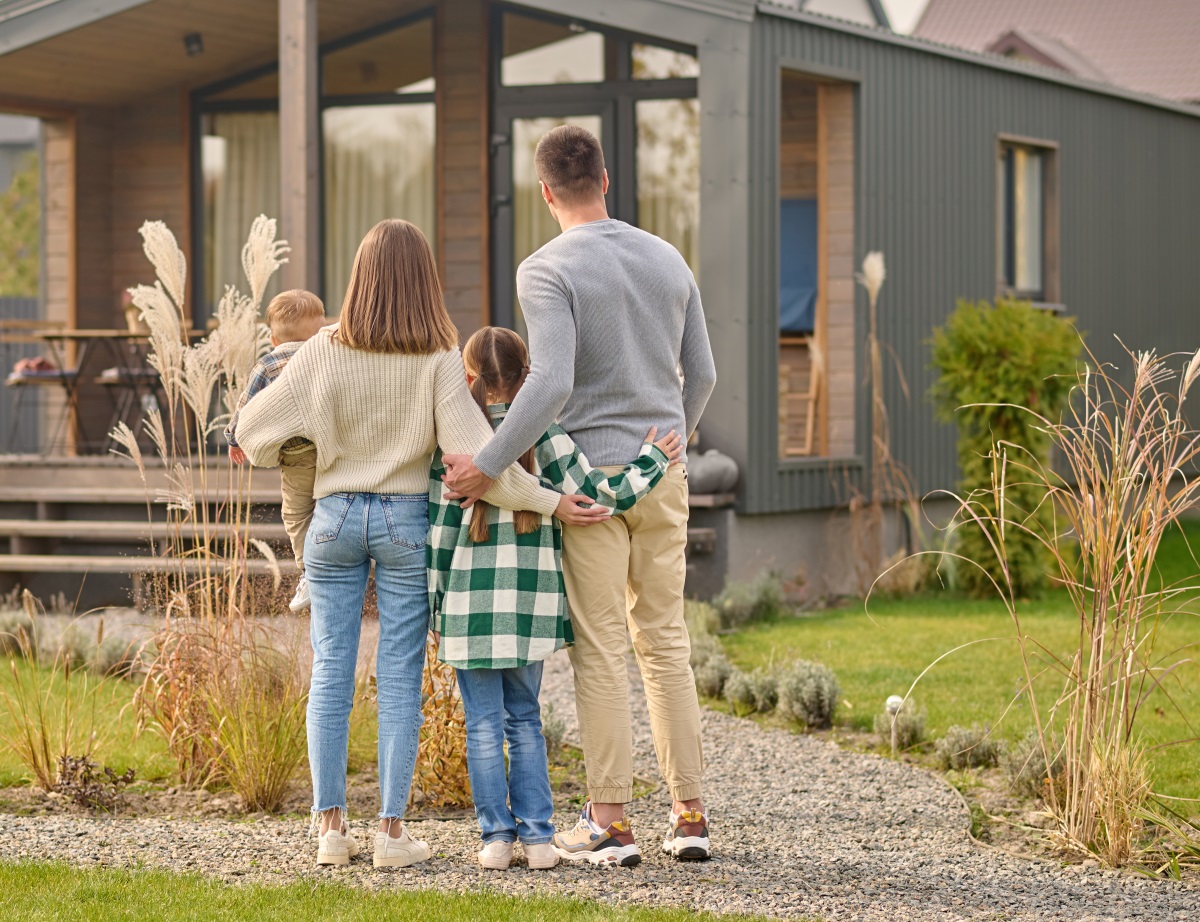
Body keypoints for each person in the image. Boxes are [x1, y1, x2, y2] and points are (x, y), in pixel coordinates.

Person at [234, 219, 607, 870]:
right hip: (406, 523)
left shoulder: (319, 350)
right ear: (424, 282)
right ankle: (390, 834)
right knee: (399, 678)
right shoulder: (437, 358)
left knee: (329, 671)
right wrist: (551, 501)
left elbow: (251, 431)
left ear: (358, 278)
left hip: (332, 517)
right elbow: (479, 464)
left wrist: (306, 447)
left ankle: (329, 830)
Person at [441, 125, 718, 866]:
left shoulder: (545, 268)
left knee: (601, 653)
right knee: (665, 644)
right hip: (661, 473)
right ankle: (689, 816)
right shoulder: (668, 257)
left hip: (587, 486)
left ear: (544, 192)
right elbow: (706, 372)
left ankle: (612, 825)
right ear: (604, 177)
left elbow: (552, 379)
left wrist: (487, 464)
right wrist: (669, 450)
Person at [429, 326, 682, 872]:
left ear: (467, 378)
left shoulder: (454, 440)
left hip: (469, 612)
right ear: (530, 380)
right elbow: (596, 496)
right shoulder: (545, 433)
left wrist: (437, 605)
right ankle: (540, 840)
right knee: (525, 719)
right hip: (531, 608)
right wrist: (652, 461)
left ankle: (497, 840)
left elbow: (439, 532)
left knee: (481, 725)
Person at [225, 289, 326, 612]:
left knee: (296, 513)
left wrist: (233, 438)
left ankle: (310, 571)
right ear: (321, 330)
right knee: (328, 507)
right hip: (334, 448)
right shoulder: (328, 355)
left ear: (273, 339)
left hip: (296, 455)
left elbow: (245, 407)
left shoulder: (268, 365)